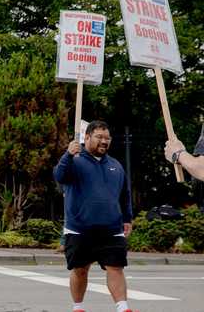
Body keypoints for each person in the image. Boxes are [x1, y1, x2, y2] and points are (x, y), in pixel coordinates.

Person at [54, 120, 134, 312]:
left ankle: (123, 307)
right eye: (99, 137)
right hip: (79, 228)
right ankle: (78, 307)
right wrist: (67, 154)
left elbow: (125, 194)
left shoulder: (116, 166)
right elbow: (59, 176)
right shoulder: (75, 160)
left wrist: (127, 218)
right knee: (80, 270)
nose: (104, 141)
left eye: (107, 138)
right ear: (86, 137)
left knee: (116, 267)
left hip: (112, 228)